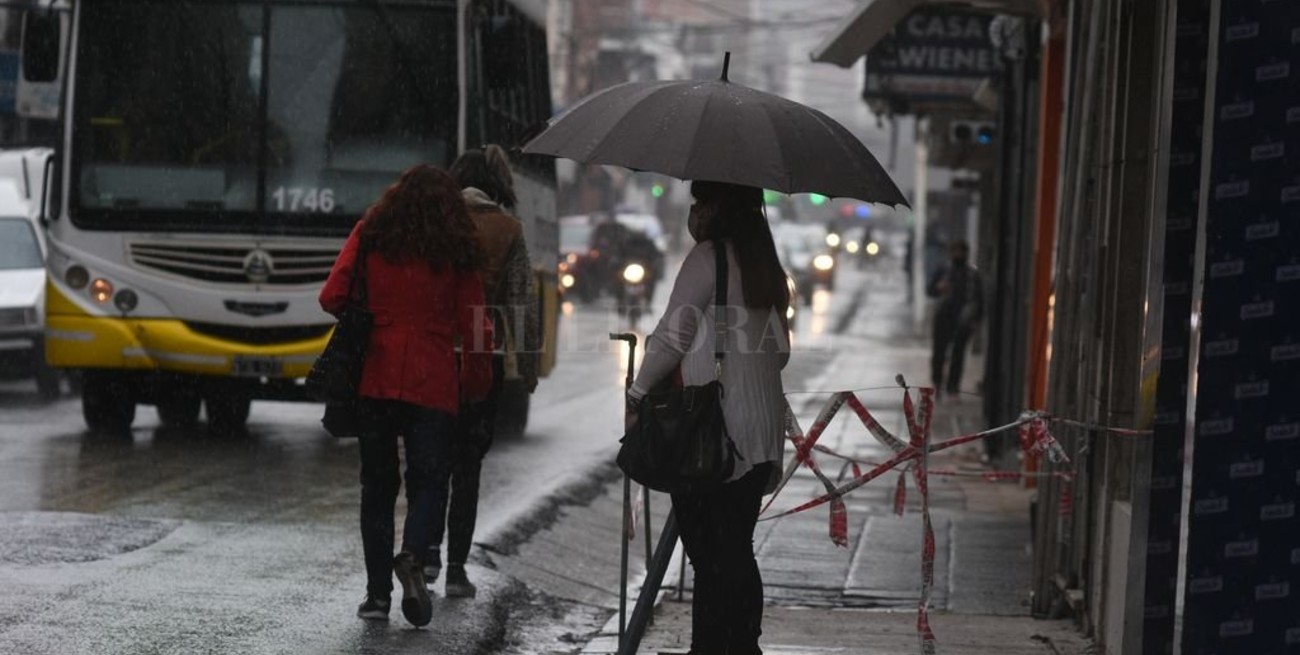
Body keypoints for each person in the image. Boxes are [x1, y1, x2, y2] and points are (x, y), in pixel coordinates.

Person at [319, 165, 493, 626]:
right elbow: (476, 325)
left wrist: (375, 313)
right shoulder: (457, 248)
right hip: (432, 378)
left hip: (375, 374)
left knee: (376, 487)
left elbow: (332, 295)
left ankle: (377, 597)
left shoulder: (373, 232)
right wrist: (476, 382)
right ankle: (414, 554)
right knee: (430, 481)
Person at [625, 181, 791, 655]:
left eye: (701, 202)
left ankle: (718, 648)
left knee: (710, 558)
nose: (694, 211)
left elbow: (671, 336)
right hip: (760, 433)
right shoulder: (764, 264)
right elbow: (780, 353)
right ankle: (741, 645)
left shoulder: (709, 258)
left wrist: (637, 394)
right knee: (735, 547)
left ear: (721, 208)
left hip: (714, 430)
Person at [424, 145, 541, 597]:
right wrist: (527, 369)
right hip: (479, 355)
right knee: (467, 466)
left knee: (429, 458)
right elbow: (523, 307)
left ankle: (427, 554)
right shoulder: (507, 229)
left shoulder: (434, 222)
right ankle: (455, 570)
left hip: (433, 356)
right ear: (499, 186)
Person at [927, 240, 983, 398]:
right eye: (955, 252)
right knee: (939, 354)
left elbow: (979, 299)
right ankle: (937, 383)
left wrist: (977, 319)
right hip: (943, 318)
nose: (958, 255)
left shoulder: (972, 273)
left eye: (961, 252)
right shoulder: (943, 270)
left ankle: (953, 388)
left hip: (963, 320)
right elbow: (930, 290)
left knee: (958, 356)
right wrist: (939, 288)